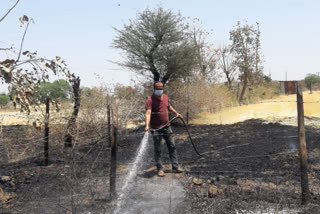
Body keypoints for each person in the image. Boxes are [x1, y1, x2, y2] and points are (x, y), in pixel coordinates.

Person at [145, 81, 184, 177]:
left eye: (161, 88)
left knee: (172, 146)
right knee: (158, 149)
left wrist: (176, 113)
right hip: (156, 129)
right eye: (158, 88)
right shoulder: (150, 100)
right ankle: (160, 169)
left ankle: (175, 166)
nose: (160, 90)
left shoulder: (165, 97)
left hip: (167, 126)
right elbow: (148, 113)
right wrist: (147, 125)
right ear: (154, 89)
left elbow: (169, 106)